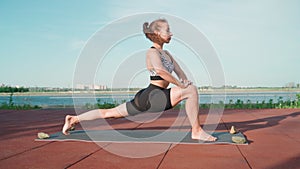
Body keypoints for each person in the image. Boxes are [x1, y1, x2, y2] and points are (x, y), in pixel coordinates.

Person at [62, 18, 217, 141]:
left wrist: (184, 80)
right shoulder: (151, 53)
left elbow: (179, 71)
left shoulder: (167, 54)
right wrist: (181, 86)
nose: (171, 33)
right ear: (157, 33)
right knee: (190, 91)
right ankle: (196, 131)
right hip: (151, 97)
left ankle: (73, 119)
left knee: (110, 113)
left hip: (153, 96)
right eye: (168, 30)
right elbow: (162, 72)